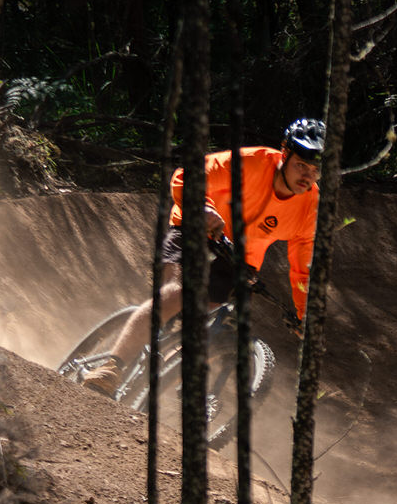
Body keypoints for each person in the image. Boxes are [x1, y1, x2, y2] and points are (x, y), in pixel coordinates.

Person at [83, 118, 325, 395]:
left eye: (315, 170)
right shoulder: (250, 163)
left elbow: (304, 268)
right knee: (178, 293)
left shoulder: (310, 208)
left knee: (206, 320)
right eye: (301, 165)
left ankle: (160, 376)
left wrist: (306, 315)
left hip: (239, 258)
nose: (307, 175)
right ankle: (112, 366)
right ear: (285, 153)